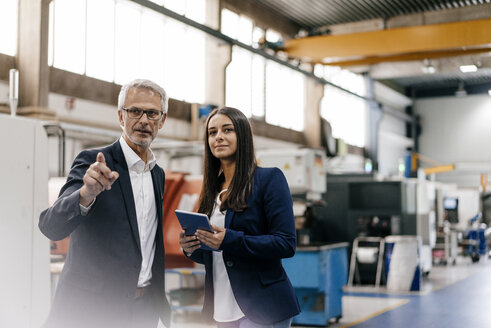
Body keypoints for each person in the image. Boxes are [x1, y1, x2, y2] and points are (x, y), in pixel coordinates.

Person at [39, 79, 171, 328]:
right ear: (121, 116)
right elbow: (51, 226)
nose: (143, 120)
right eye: (134, 111)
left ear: (162, 120)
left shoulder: (157, 174)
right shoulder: (93, 162)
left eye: (152, 113)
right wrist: (85, 194)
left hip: (143, 310)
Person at [179, 107, 300, 328]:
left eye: (228, 130)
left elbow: (286, 243)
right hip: (222, 308)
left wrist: (230, 240)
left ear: (242, 135)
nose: (219, 137)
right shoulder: (211, 191)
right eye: (212, 132)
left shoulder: (269, 179)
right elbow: (215, 257)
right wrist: (191, 247)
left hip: (261, 306)